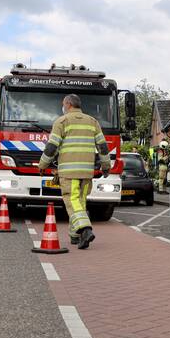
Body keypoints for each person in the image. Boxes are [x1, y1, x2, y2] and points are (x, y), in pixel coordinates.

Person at [37, 94, 111, 250]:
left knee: (72, 202)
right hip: (86, 172)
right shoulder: (93, 122)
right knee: (80, 203)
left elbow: (52, 147)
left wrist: (42, 164)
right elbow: (103, 147)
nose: (63, 107)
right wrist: (106, 166)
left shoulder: (62, 121)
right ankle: (75, 237)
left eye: (63, 104)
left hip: (69, 172)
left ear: (68, 104)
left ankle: (85, 229)